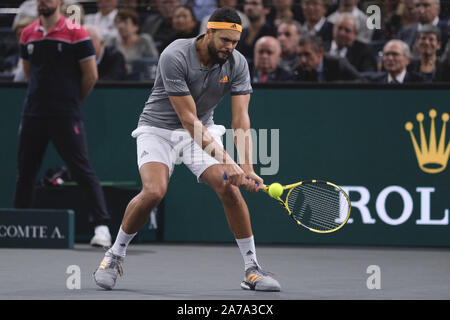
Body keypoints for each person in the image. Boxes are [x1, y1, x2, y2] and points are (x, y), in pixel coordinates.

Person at [93, 7, 281, 292]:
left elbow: (241, 119)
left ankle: (252, 268)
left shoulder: (238, 63)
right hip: (159, 130)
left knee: (229, 187)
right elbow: (188, 121)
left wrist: (247, 167)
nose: (229, 47)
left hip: (203, 129)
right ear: (209, 32)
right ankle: (114, 255)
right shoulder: (175, 55)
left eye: (234, 42)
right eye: (224, 40)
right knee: (154, 191)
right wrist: (228, 160)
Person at [15, 0, 112, 247]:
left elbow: (91, 75)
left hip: (66, 114)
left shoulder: (76, 33)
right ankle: (17, 225)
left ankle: (101, 228)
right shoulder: (27, 34)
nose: (42, 2)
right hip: (33, 114)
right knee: (25, 171)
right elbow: (29, 73)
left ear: (59, 2)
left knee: (82, 169)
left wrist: (70, 101)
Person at [295, 35, 362, 82]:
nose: (303, 60)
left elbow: (362, 82)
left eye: (307, 54)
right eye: (299, 55)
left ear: (320, 52)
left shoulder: (338, 64)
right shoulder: (299, 71)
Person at [111, 8, 159, 73]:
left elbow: (154, 62)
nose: (121, 26)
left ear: (135, 27)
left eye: (125, 22)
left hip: (140, 79)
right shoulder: (113, 41)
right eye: (118, 22)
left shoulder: (144, 40)